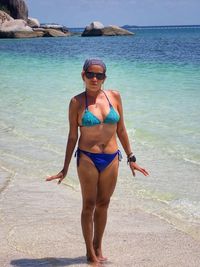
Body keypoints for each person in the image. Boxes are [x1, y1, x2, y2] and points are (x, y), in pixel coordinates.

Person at [46, 58, 149, 265]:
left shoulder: (114, 97)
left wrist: (131, 157)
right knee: (89, 205)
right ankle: (89, 253)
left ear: (104, 78)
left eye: (99, 75)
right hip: (87, 158)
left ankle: (98, 246)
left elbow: (121, 130)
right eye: (90, 74)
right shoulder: (76, 102)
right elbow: (72, 137)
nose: (94, 79)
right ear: (83, 75)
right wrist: (64, 167)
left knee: (104, 204)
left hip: (112, 157)